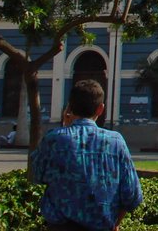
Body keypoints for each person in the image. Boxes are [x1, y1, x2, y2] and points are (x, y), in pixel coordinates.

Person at [32, 79, 143, 231]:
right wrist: (115, 223)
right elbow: (132, 195)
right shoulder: (116, 141)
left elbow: (37, 175)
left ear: (69, 107)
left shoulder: (54, 139)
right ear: (100, 109)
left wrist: (65, 127)